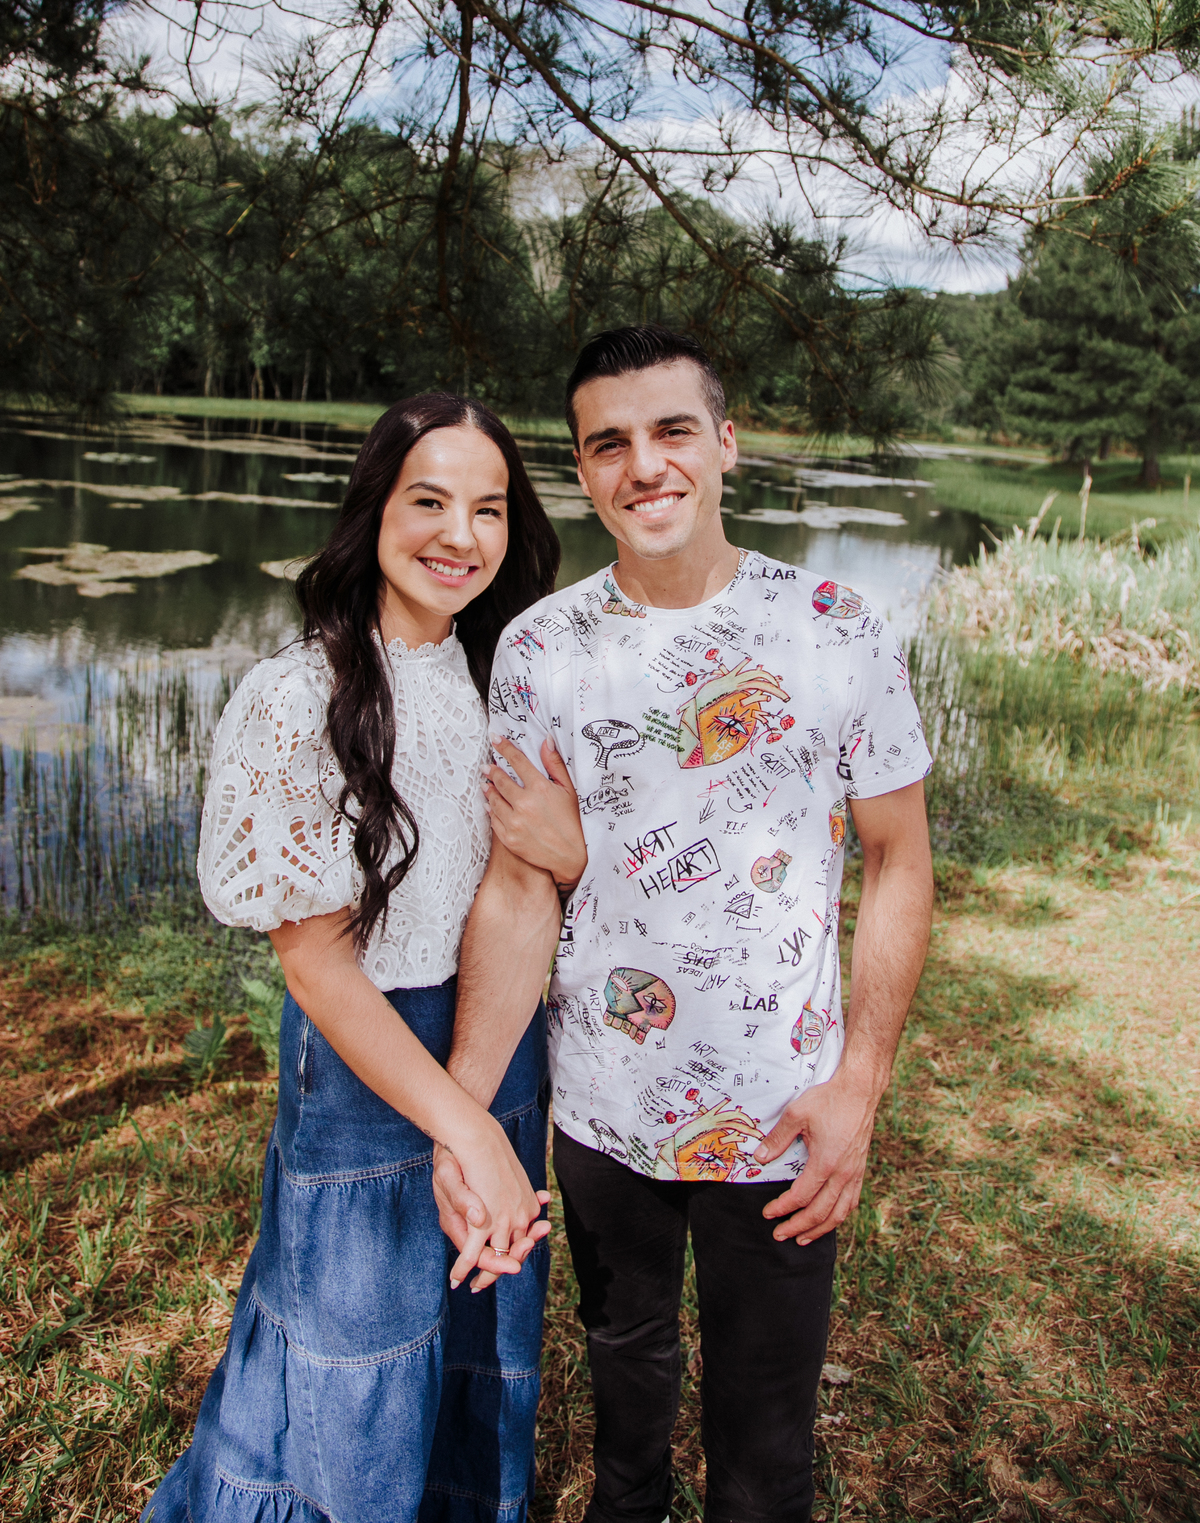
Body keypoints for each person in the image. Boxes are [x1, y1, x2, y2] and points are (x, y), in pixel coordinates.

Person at [441, 328, 935, 1523]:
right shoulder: (541, 648)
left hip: (782, 1119)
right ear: (582, 468)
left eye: (671, 431)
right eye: (608, 443)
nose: (644, 465)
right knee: (625, 1420)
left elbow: (899, 861)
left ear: (725, 444)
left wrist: (859, 1087)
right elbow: (517, 891)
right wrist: (464, 1112)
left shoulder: (834, 624)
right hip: (603, 1114)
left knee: (763, 1455)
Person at [142, 393, 579, 1523]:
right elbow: (319, 968)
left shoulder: (506, 683)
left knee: (478, 1334)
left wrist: (484, 1108)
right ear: (374, 506)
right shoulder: (299, 696)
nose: (460, 535)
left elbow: (524, 889)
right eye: (429, 500)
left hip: (498, 1043)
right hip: (365, 1064)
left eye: (490, 508)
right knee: (359, 1355)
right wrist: (463, 1131)